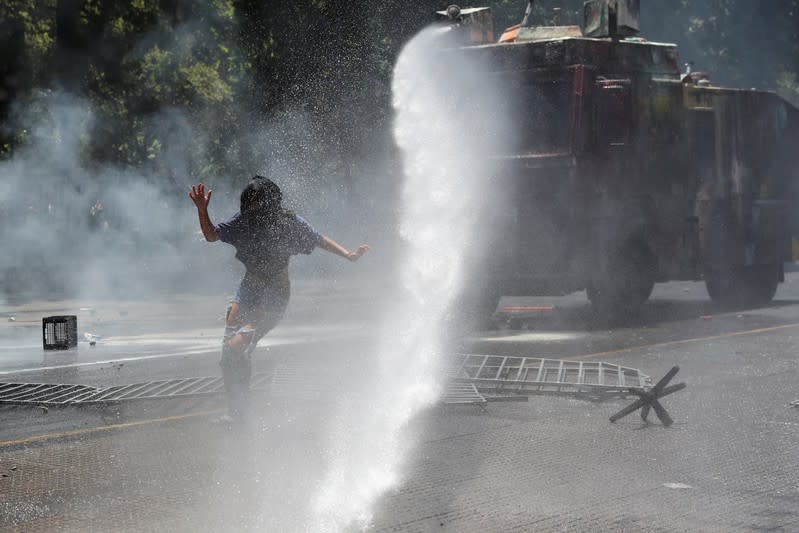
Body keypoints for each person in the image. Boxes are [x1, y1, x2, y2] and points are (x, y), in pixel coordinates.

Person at [189, 176, 369, 422]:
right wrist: (202, 210)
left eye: (257, 203)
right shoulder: (243, 222)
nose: (253, 209)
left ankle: (240, 413)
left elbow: (319, 239)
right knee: (228, 355)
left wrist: (348, 254)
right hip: (248, 289)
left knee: (236, 348)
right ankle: (236, 412)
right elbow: (211, 235)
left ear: (270, 203)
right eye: (248, 204)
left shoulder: (289, 223)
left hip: (274, 296)